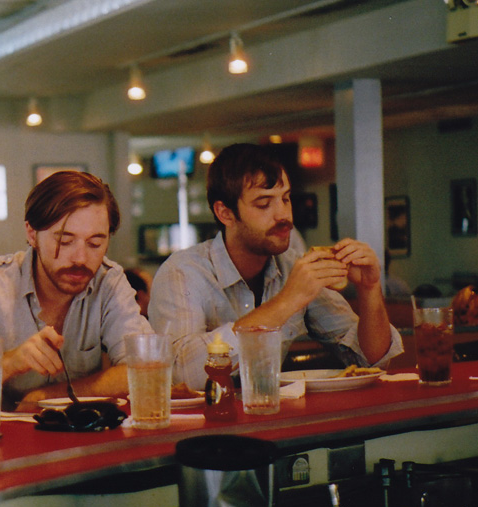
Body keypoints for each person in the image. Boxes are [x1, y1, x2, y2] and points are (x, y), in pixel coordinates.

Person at [149, 143, 403, 389]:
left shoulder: (292, 264)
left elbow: (371, 359)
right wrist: (287, 301)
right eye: (264, 204)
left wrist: (370, 288)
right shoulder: (182, 272)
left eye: (286, 198)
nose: (283, 214)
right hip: (206, 418)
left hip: (272, 413)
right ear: (225, 213)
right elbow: (180, 376)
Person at [0, 171, 153, 409]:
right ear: (32, 234)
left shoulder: (109, 282)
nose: (81, 258)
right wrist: (7, 364)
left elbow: (148, 368)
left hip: (82, 431)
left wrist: (47, 397)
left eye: (95, 243)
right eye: (64, 241)